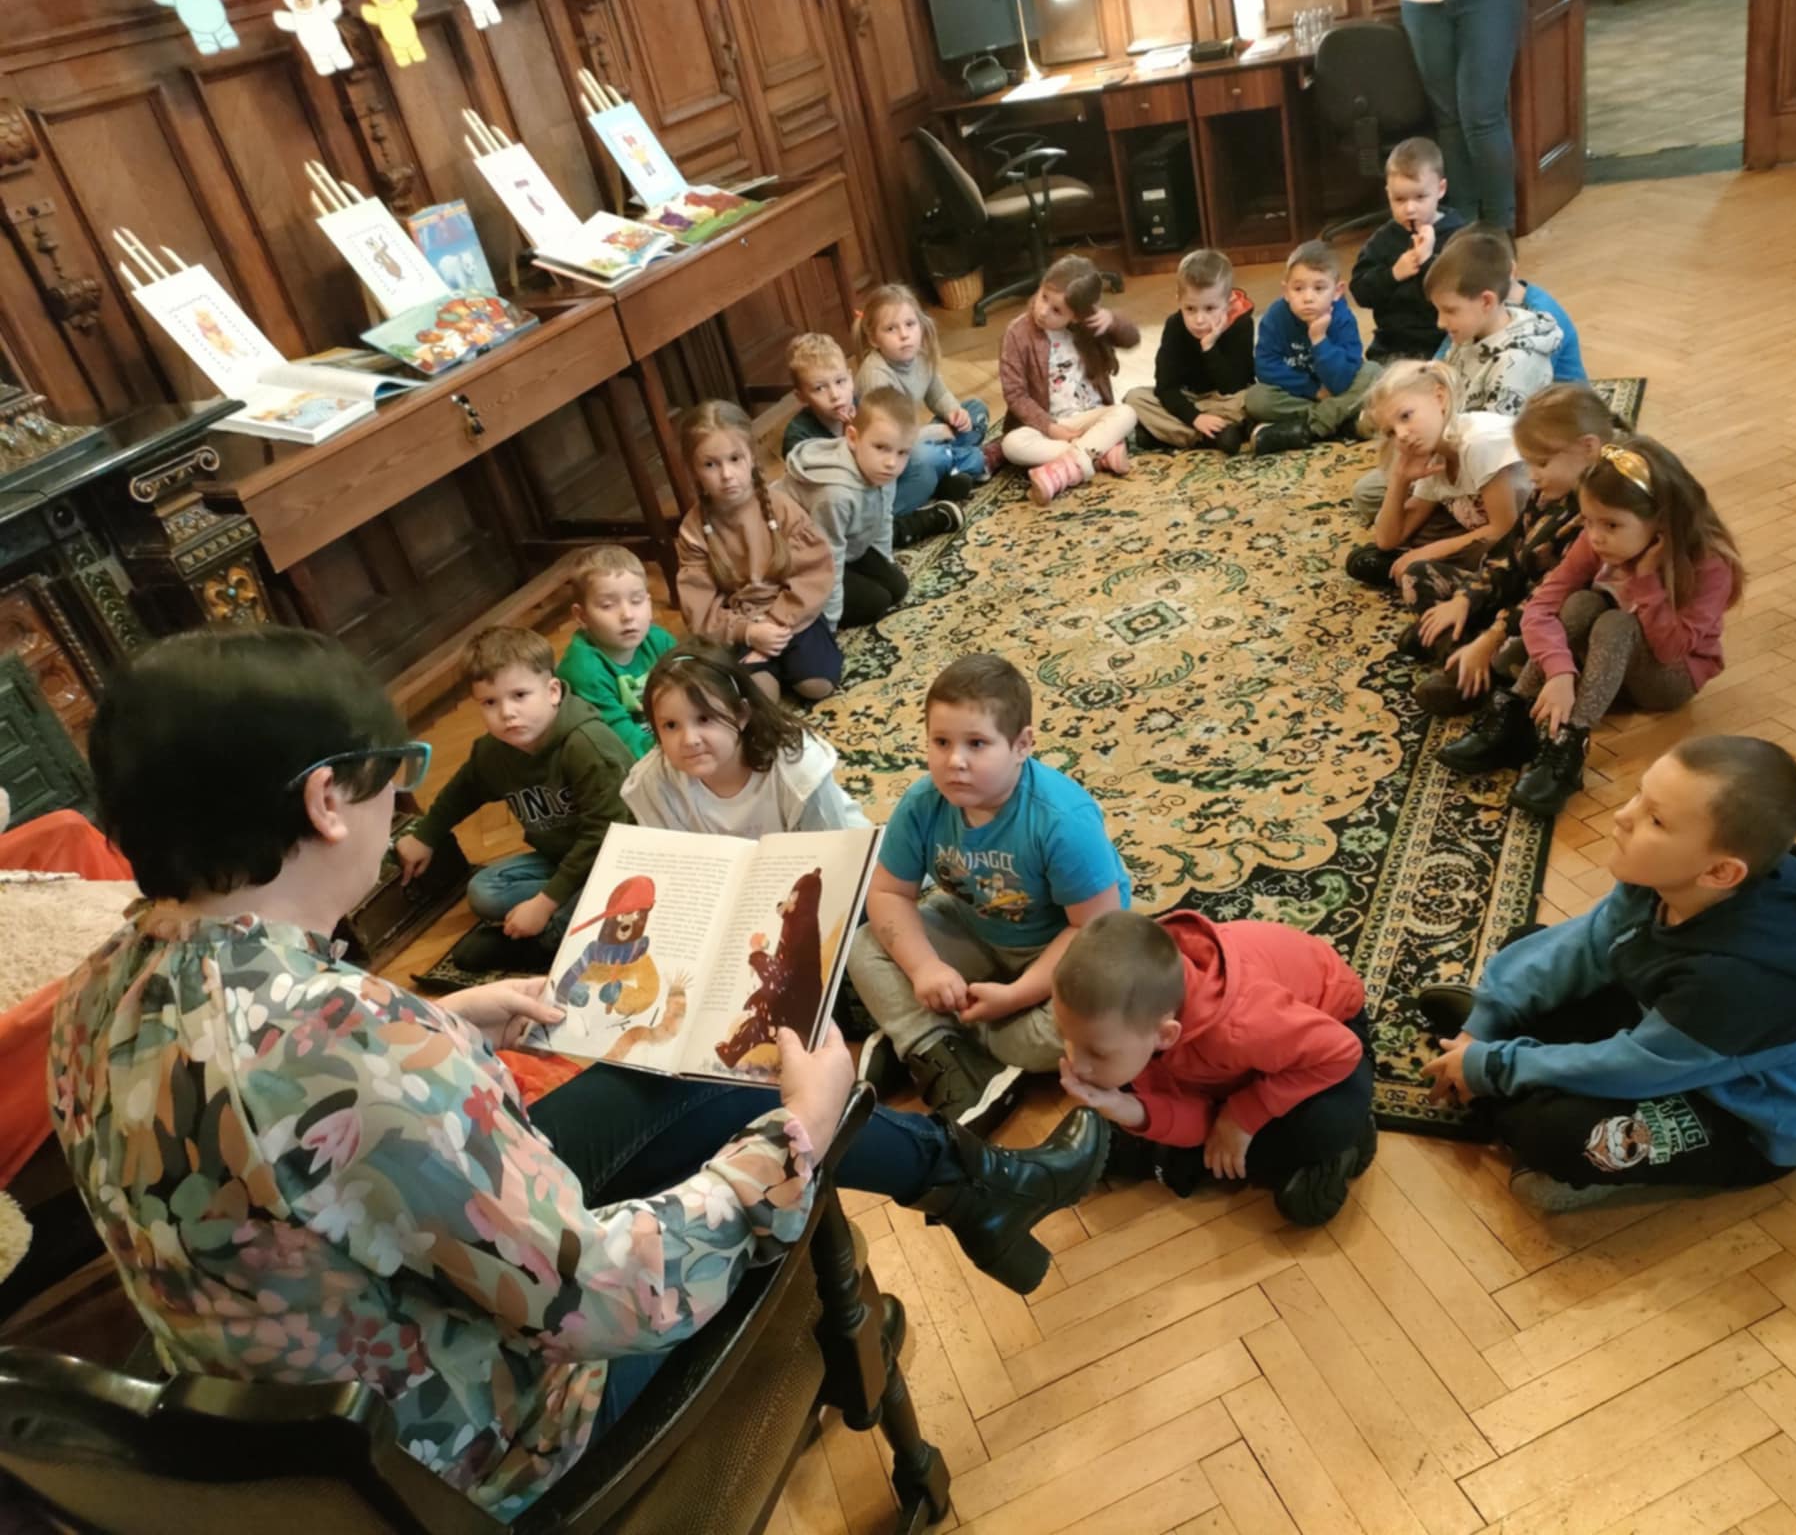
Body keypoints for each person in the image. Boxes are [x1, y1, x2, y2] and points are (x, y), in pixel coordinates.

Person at [49, 627, 1111, 1521]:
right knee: (766, 1105)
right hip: (479, 1443)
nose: (398, 807)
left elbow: (283, 1125)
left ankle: (969, 1184)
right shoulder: (349, 1044)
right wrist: (794, 1136)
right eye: (396, 777)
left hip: (309, 1406)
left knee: (696, 1075)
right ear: (328, 798)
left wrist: (439, 1018)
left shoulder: (102, 990)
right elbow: (602, 1299)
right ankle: (966, 1191)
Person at [1419, 736, 1796, 1212]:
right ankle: (1489, 1066)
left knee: (1555, 1133)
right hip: (1670, 1036)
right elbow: (1585, 945)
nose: (1623, 816)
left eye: (1656, 820)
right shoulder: (1669, 878)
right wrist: (1485, 1022)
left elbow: (1635, 1068)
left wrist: (1494, 1066)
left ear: (1720, 873)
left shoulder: (1739, 982)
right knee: (1528, 949)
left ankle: (1550, 1145)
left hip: (1740, 1118)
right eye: (1638, 794)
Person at [848, 653, 1131, 1135]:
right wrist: (925, 968)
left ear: (1022, 745)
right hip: (976, 927)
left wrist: (1016, 995)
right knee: (865, 944)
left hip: (1067, 949)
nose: (954, 761)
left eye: (976, 744)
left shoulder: (1062, 820)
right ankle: (935, 1047)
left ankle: (930, 1036)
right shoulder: (922, 804)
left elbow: (1093, 930)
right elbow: (889, 893)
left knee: (1091, 1032)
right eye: (941, 742)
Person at [1438, 435, 1742, 817]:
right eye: (1588, 521)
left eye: (1611, 524)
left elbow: (1670, 650)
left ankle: (1568, 744)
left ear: (1661, 522)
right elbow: (1540, 607)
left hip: (1668, 678)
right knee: (1582, 602)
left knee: (1616, 623)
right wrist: (1559, 672)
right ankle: (1515, 717)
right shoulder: (1596, 539)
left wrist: (1646, 579)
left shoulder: (1711, 565)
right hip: (1604, 666)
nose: (1595, 536)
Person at [1051, 910, 1378, 1228]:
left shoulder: (1242, 1027)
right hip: (1250, 1053)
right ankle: (1168, 1154)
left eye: (1096, 1052)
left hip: (1332, 1032)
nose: (1077, 1063)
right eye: (1064, 1035)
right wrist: (1127, 1109)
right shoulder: (1135, 1020)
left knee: (1322, 1125)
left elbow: (1340, 1051)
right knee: (1138, 1098)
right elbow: (1197, 1106)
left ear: (1166, 1035)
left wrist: (1242, 1115)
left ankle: (1345, 1145)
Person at [396, 625, 634, 955]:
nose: (506, 713)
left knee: (607, 898)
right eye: (489, 702)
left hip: (620, 860)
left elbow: (607, 835)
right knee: (484, 892)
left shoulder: (586, 745)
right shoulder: (494, 751)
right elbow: (464, 790)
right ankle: (566, 923)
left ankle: (544, 943)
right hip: (563, 859)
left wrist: (544, 903)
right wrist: (426, 835)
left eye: (520, 695)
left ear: (552, 692)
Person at [1412, 382, 1618, 717]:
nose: (1531, 476)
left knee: (1521, 646)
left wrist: (1492, 637)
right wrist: (1466, 598)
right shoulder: (1549, 492)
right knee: (1419, 576)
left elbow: (1552, 593)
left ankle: (1472, 669)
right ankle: (1463, 650)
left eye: (1541, 464)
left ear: (1588, 448)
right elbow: (1508, 554)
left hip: (1546, 613)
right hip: (1519, 601)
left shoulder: (1597, 516)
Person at [674, 400, 841, 703]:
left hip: (791, 616)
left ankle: (787, 662)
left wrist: (776, 623)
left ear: (751, 456)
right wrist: (749, 633)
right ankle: (768, 668)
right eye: (710, 465)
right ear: (693, 471)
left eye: (735, 459)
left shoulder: (781, 508)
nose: (726, 474)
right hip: (737, 627)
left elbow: (813, 573)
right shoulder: (693, 530)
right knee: (761, 699)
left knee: (817, 686)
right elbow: (700, 609)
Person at [622, 645, 869, 836]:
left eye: (705, 718)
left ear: (741, 714)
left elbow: (833, 850)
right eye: (670, 725)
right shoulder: (654, 783)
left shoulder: (798, 767)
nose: (689, 740)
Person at [1344, 361, 1529, 609]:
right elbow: (1387, 540)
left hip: (1523, 536)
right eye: (1391, 432)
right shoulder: (1435, 451)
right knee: (1367, 555)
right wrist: (1400, 479)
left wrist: (1428, 552)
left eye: (1406, 416)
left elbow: (1504, 529)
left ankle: (1470, 591)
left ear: (1440, 398)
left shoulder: (1479, 444)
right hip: (1482, 530)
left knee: (1427, 564)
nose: (1402, 434)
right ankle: (1439, 573)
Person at [783, 331, 967, 546]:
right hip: (842, 511)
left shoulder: (864, 406)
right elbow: (829, 495)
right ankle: (913, 525)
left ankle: (930, 486)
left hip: (878, 486)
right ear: (801, 396)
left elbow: (894, 448)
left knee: (924, 462)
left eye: (840, 381)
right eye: (819, 388)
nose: (835, 395)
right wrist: (851, 441)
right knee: (924, 466)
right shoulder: (798, 437)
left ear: (851, 378)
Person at [997, 253, 1141, 505]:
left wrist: (1113, 322)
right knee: (1012, 445)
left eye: (1056, 310)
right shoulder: (1017, 332)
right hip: (1048, 424)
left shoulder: (1089, 324)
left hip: (1090, 418)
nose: (1043, 311)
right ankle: (1100, 454)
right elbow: (1015, 394)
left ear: (1076, 316)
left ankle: (1064, 470)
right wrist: (1050, 427)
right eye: (1043, 297)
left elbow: (1131, 339)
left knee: (1127, 413)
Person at [783, 387, 919, 629]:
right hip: (795, 560)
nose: (892, 463)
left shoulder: (881, 471)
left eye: (902, 453)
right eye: (881, 447)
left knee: (897, 587)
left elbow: (883, 517)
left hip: (840, 544)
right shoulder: (835, 495)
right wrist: (830, 623)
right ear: (853, 438)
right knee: (876, 602)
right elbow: (828, 556)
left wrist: (885, 561)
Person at [852, 284, 993, 495]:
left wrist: (954, 412)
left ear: (920, 324)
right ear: (873, 339)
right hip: (893, 451)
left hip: (916, 436)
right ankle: (967, 462)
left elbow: (937, 393)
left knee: (976, 410)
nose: (904, 335)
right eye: (891, 329)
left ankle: (946, 469)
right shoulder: (876, 376)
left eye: (910, 324)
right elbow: (892, 438)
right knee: (927, 456)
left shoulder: (920, 355)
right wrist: (936, 433)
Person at [1400, 0, 1525, 229]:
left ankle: (1499, 232)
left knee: (1482, 119)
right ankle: (1462, 232)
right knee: (1448, 121)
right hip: (1422, 6)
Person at [1246, 239, 1378, 454]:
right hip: (1299, 394)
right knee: (1256, 399)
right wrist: (1313, 390)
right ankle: (1343, 423)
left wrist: (1319, 339)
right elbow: (1265, 367)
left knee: (1374, 373)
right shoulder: (1274, 317)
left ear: (1337, 291)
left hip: (1337, 389)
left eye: (1319, 288)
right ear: (1286, 291)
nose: (1308, 298)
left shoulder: (1343, 319)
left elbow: (1343, 380)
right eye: (1298, 289)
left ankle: (1308, 430)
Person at [1349, 137, 1470, 365]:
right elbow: (1361, 293)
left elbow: (1464, 292)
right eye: (1399, 199)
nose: (1410, 209)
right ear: (1388, 194)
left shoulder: (1459, 236)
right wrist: (1393, 274)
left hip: (1449, 342)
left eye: (1420, 197)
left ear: (1440, 189)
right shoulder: (1382, 241)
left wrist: (1428, 261)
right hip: (1394, 346)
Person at [1124, 247, 1257, 454]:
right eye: (1190, 309)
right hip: (1190, 399)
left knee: (1255, 399)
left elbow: (1233, 386)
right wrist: (1195, 418)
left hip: (1226, 400)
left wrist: (1209, 347)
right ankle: (1210, 436)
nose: (1199, 319)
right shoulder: (1174, 326)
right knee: (1134, 399)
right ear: (1179, 300)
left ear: (1228, 302)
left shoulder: (1241, 325)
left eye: (1210, 309)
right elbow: (1166, 387)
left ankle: (1165, 435)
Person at [553, 544, 676, 756]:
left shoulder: (660, 640)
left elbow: (695, 690)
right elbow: (624, 742)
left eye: (636, 601)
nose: (627, 615)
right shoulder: (584, 670)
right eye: (607, 605)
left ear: (649, 604)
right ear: (581, 616)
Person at [1426, 226, 1561, 417]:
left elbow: (1496, 432)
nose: (1440, 322)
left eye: (1450, 310)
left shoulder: (1516, 363)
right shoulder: (1471, 331)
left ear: (1486, 302)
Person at [1431, 224, 1586, 384]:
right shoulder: (1477, 311)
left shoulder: (1541, 315)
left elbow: (1525, 380)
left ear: (1509, 269)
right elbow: (1444, 357)